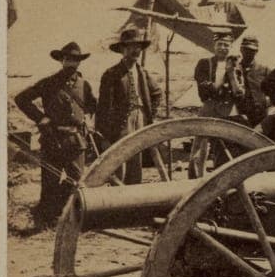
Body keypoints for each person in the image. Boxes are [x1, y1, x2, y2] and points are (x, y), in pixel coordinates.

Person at [14, 41, 98, 226]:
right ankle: (46, 219)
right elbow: (21, 99)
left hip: (76, 140)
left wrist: (87, 119)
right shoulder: (49, 83)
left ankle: (58, 211)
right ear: (61, 60)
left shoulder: (84, 85)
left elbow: (93, 105)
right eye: (68, 59)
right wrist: (40, 118)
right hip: (53, 139)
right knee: (50, 181)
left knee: (76, 179)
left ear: (79, 62)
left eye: (75, 60)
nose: (71, 63)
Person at [96, 26, 164, 184]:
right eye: (131, 46)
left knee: (136, 159)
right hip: (120, 122)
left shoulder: (143, 72)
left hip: (139, 119)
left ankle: (133, 199)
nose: (136, 50)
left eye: (138, 47)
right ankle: (118, 200)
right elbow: (103, 106)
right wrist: (103, 133)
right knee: (120, 160)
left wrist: (149, 114)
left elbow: (157, 93)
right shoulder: (111, 74)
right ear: (122, 49)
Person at [189, 30, 246, 176]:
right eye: (220, 44)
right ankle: (196, 178)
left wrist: (231, 73)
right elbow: (206, 90)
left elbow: (239, 94)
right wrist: (222, 76)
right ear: (214, 46)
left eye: (226, 45)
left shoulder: (236, 66)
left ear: (231, 47)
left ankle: (224, 177)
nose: (223, 48)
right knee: (200, 147)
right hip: (209, 107)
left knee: (226, 146)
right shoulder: (204, 64)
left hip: (228, 111)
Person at [236, 35, 270, 128]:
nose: (249, 53)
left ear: (256, 51)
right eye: (246, 49)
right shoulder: (235, 69)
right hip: (240, 113)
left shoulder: (264, 69)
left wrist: (267, 102)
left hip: (260, 114)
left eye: (252, 50)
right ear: (241, 49)